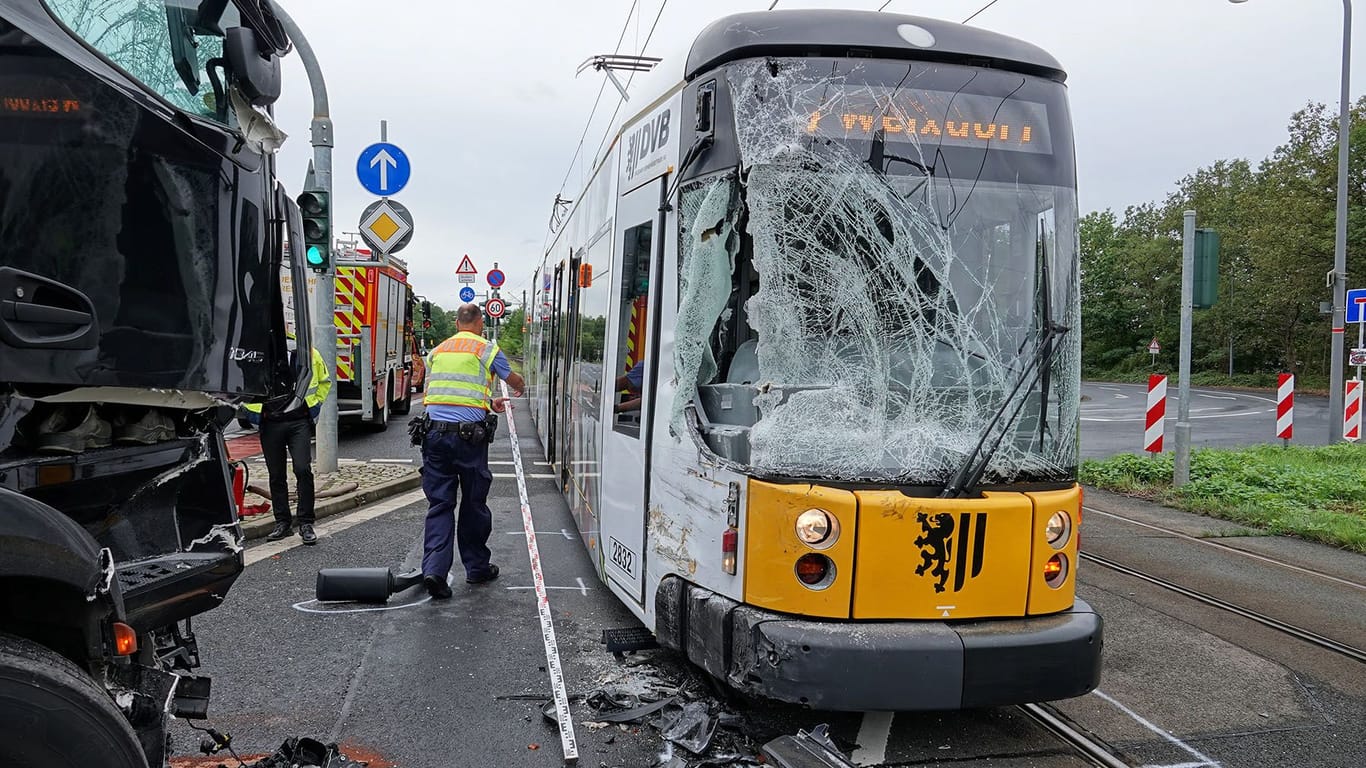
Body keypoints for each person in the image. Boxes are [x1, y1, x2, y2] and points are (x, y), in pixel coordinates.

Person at [420, 303, 524, 598]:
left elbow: (446, 393)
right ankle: (477, 568)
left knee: (440, 504)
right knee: (473, 502)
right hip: (468, 440)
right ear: (480, 322)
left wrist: (489, 402)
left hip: (434, 435)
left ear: (456, 322)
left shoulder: (438, 351)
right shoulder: (485, 348)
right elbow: (512, 379)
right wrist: (521, 386)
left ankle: (434, 571)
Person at [244, 337, 331, 545]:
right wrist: (253, 413)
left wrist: (314, 407)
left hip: (298, 422)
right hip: (270, 423)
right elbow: (243, 384)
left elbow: (324, 381)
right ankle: (282, 523)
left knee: (303, 469)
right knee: (276, 475)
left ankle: (306, 523)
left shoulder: (308, 353)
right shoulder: (258, 353)